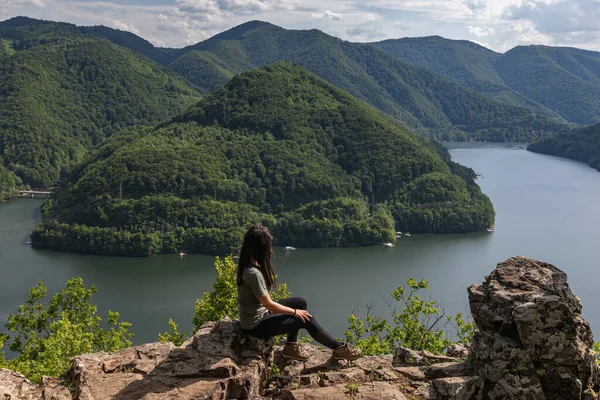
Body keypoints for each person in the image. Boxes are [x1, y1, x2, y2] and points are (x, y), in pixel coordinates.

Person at [236, 224, 363, 361]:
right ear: (261, 247)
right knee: (304, 318)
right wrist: (295, 312)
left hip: (259, 314)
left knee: (300, 302)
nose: (270, 249)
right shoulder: (253, 273)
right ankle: (339, 349)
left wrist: (293, 310)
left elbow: (265, 304)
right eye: (268, 245)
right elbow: (270, 305)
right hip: (255, 325)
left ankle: (290, 346)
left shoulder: (250, 263)